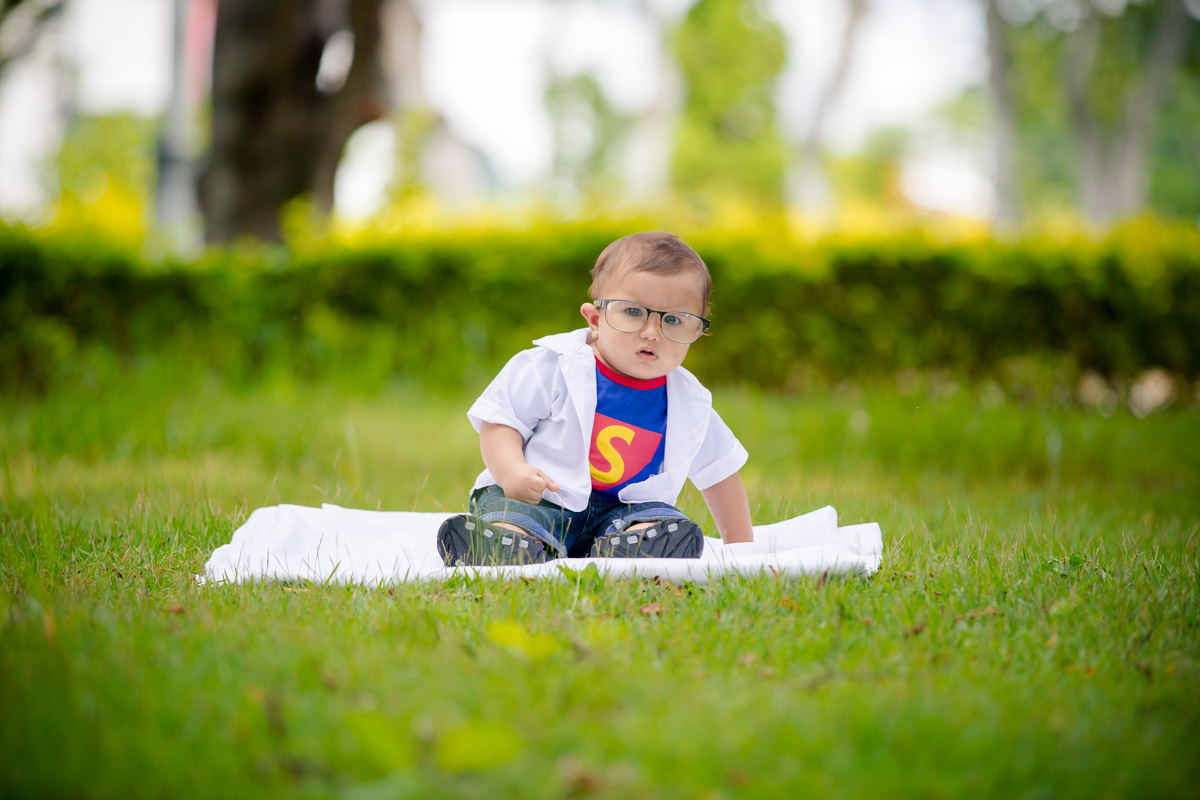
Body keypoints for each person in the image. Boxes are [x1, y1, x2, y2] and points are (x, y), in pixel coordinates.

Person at [437, 231, 753, 566]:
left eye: (674, 320)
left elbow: (720, 473)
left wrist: (742, 552)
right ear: (595, 319)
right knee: (516, 514)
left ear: (697, 332)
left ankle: (633, 547)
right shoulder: (552, 365)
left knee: (657, 519)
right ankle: (505, 541)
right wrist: (512, 472)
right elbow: (501, 422)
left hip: (621, 514)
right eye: (633, 312)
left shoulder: (689, 402)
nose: (652, 332)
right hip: (542, 498)